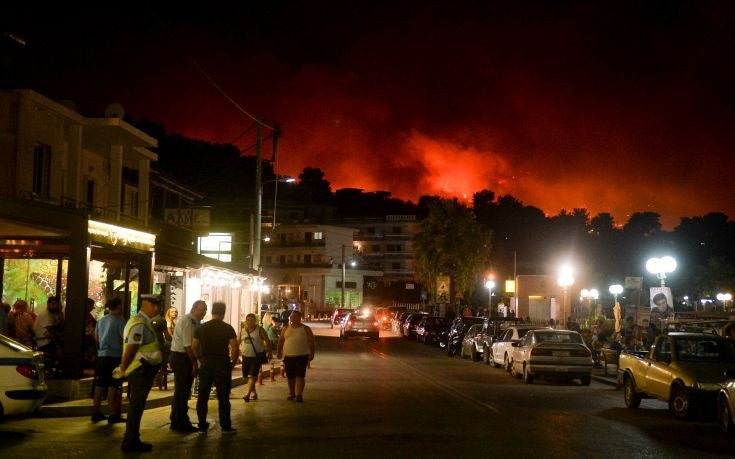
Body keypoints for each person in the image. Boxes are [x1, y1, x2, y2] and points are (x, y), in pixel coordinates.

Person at [118, 295, 164, 453]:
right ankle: (130, 441)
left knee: (137, 406)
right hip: (140, 370)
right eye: (154, 305)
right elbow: (131, 349)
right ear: (145, 305)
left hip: (143, 370)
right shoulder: (140, 324)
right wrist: (123, 368)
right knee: (136, 407)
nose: (157, 309)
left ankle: (132, 439)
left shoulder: (143, 322)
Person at [193, 302, 238, 434]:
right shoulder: (227, 328)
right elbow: (235, 348)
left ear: (212, 312)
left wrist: (201, 359)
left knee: (203, 396)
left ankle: (202, 424)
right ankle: (225, 426)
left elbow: (194, 347)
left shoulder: (201, 328)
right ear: (223, 313)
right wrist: (232, 364)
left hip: (206, 364)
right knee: (223, 397)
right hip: (222, 364)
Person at [169, 300, 207, 432]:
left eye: (205, 310)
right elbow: (188, 346)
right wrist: (194, 364)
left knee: (181, 390)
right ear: (194, 308)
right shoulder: (188, 322)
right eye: (202, 309)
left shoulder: (194, 322)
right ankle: (181, 422)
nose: (204, 313)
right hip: (182, 358)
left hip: (181, 357)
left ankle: (175, 419)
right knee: (183, 392)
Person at [91, 298, 126, 424]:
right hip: (115, 355)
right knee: (114, 385)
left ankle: (96, 412)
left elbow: (96, 337)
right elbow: (125, 337)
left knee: (100, 384)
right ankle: (113, 414)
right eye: (120, 306)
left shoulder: (101, 320)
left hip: (102, 355)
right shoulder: (119, 320)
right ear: (117, 307)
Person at [277, 310, 315, 402]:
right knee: (290, 376)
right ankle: (291, 393)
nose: (292, 318)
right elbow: (281, 341)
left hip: (301, 356)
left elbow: (311, 342)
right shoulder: (285, 328)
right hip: (288, 356)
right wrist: (279, 352)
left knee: (300, 375)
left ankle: (299, 395)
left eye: (294, 317)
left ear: (299, 318)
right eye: (291, 317)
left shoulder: (306, 329)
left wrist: (312, 354)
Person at [240, 313, 272, 402]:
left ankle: (247, 394)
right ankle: (253, 393)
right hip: (245, 357)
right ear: (245, 321)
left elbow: (267, 341)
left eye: (251, 320)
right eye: (248, 320)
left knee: (252, 376)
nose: (249, 322)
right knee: (247, 377)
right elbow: (238, 341)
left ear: (255, 321)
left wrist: (270, 353)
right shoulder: (243, 330)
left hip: (256, 357)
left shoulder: (259, 330)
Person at [33, 296, 65, 371]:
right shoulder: (45, 315)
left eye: (57, 304)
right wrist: (58, 348)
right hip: (44, 342)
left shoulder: (51, 313)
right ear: (48, 304)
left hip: (47, 340)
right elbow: (52, 332)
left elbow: (62, 326)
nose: (55, 306)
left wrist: (60, 313)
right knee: (65, 348)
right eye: (53, 304)